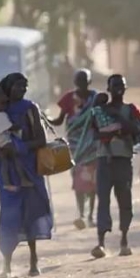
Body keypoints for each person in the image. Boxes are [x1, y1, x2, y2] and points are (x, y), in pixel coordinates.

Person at [0, 73, 52, 278]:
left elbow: (41, 139)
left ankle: (33, 261)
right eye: (18, 86)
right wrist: (2, 149)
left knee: (30, 212)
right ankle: (6, 265)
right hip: (6, 170)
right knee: (9, 214)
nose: (22, 90)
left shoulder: (30, 108)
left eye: (25, 86)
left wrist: (19, 148)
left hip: (29, 167)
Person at [91, 74, 140, 258]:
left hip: (123, 159)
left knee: (124, 201)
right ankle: (100, 243)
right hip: (104, 160)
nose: (119, 88)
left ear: (125, 89)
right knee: (103, 200)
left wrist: (119, 121)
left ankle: (124, 239)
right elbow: (94, 133)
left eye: (121, 85)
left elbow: (139, 130)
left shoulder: (131, 110)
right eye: (115, 85)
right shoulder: (100, 110)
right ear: (108, 89)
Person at [49, 68, 99, 229]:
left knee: (92, 182)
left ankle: (89, 215)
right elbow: (58, 120)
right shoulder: (69, 98)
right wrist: (44, 118)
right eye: (80, 82)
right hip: (76, 146)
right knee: (80, 180)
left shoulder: (96, 98)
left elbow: (101, 117)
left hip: (92, 145)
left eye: (84, 81)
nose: (82, 85)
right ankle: (82, 214)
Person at [0, 87, 32, 191]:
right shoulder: (1, 115)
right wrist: (21, 124)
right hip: (3, 141)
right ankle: (23, 179)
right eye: (3, 103)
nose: (5, 105)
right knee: (16, 157)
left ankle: (7, 182)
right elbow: (11, 127)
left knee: (5, 162)